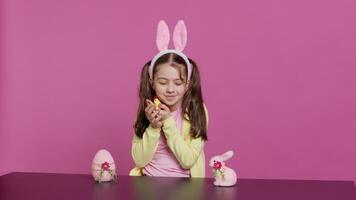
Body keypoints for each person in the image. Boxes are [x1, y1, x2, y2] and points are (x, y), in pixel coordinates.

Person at [129, 20, 208, 178]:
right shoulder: (148, 111)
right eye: (163, 82)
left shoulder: (197, 110)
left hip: (185, 184)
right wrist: (153, 127)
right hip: (148, 181)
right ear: (152, 83)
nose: (170, 89)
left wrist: (168, 122)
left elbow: (188, 161)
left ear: (186, 84)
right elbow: (139, 160)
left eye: (177, 83)